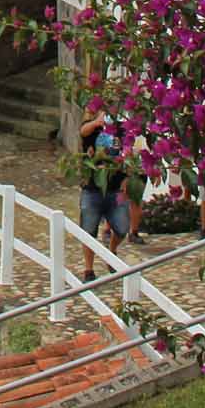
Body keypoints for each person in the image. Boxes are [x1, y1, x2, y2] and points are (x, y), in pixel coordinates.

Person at [78, 113, 132, 282]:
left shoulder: (121, 130)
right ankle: (89, 269)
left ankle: (112, 251)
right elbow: (83, 131)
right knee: (88, 230)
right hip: (92, 189)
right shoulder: (92, 128)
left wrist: (127, 179)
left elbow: (128, 153)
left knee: (122, 228)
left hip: (115, 189)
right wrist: (96, 122)